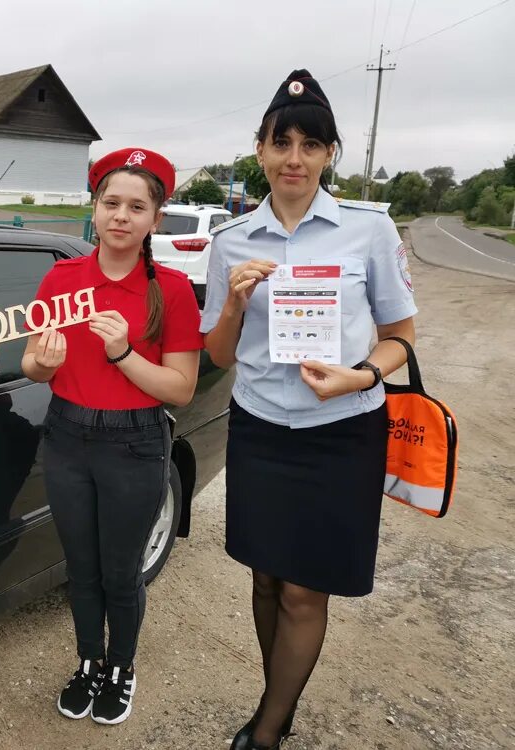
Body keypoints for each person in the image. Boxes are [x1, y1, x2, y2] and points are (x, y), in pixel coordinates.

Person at [199, 70, 418, 750]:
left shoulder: (368, 231)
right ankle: (281, 697)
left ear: (329, 155)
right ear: (260, 150)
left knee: (303, 591)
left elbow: (401, 340)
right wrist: (234, 301)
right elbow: (220, 352)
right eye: (281, 141)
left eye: (311, 144)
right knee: (266, 577)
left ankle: (266, 732)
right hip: (261, 429)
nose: (295, 157)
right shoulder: (231, 240)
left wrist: (358, 378)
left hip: (341, 433)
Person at [21, 148, 203, 725]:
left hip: (135, 443)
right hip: (68, 436)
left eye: (137, 206)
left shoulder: (170, 290)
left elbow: (179, 388)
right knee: (82, 566)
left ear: (156, 217)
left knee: (121, 570)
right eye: (110, 203)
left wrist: (123, 352)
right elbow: (33, 365)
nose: (121, 216)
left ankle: (120, 665)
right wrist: (44, 365)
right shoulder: (62, 279)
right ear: (94, 211)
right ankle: (88, 661)